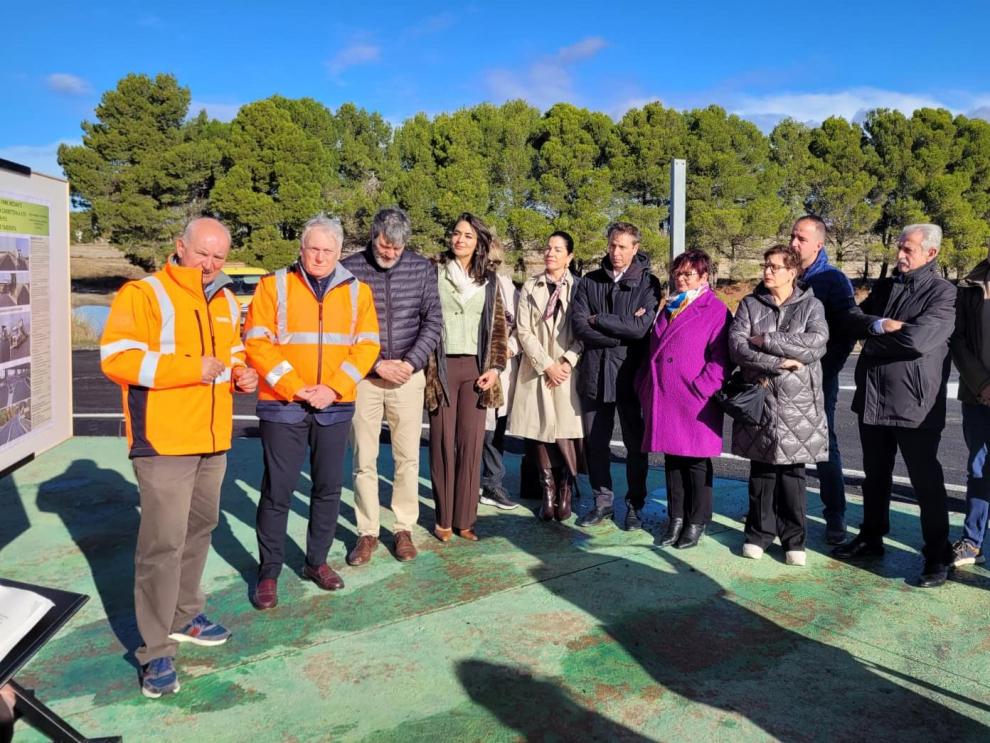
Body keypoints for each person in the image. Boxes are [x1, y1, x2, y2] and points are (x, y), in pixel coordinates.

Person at [101, 217, 259, 698]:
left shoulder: (226, 299)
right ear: (179, 247)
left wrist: (240, 373)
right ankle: (155, 652)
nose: (210, 264)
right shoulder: (144, 294)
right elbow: (117, 358)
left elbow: (232, 350)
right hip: (165, 442)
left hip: (212, 439)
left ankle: (185, 616)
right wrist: (191, 370)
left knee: (199, 529)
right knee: (161, 547)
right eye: (203, 253)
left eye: (219, 256)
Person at [244, 215, 379, 609]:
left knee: (327, 488)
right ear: (301, 249)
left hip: (334, 407)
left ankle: (316, 562)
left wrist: (333, 388)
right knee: (277, 491)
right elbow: (257, 341)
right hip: (283, 405)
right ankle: (268, 571)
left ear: (339, 252)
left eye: (327, 250)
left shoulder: (358, 292)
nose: (319, 257)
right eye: (312, 249)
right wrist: (294, 386)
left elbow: (366, 346)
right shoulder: (274, 286)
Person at [833, 224, 956, 587]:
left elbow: (918, 341)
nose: (900, 255)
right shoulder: (886, 287)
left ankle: (937, 555)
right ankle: (871, 537)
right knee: (875, 477)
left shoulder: (944, 294)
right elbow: (849, 320)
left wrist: (871, 339)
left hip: (915, 405)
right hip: (872, 399)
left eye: (909, 250)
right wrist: (881, 325)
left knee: (926, 482)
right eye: (900, 248)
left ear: (931, 254)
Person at [341, 207, 442, 566]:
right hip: (364, 379)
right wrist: (375, 363)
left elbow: (433, 321)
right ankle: (367, 532)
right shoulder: (349, 269)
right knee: (364, 460)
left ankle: (402, 528)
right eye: (385, 246)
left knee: (407, 459)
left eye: (397, 250)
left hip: (407, 378)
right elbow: (340, 328)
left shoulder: (421, 268)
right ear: (373, 236)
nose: (390, 254)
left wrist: (410, 363)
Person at [729, 245, 828, 566]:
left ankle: (794, 540)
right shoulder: (749, 304)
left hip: (799, 402)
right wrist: (778, 363)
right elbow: (738, 346)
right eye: (765, 265)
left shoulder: (812, 305)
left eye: (774, 267)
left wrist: (767, 341)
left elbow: (815, 344)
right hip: (761, 396)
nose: (767, 271)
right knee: (762, 469)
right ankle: (758, 533)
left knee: (792, 474)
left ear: (792, 271)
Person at [571, 221, 661, 529]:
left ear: (635, 248)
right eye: (612, 245)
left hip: (630, 377)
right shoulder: (589, 282)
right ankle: (602, 502)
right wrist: (620, 329)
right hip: (595, 374)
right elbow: (579, 327)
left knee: (636, 446)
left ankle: (635, 504)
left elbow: (641, 329)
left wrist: (601, 320)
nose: (616, 251)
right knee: (596, 444)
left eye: (623, 246)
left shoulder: (648, 284)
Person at [639, 250, 731, 548]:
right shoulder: (668, 307)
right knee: (672, 461)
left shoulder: (715, 309)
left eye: (688, 274)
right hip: (665, 395)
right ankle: (676, 517)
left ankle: (696, 520)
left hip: (695, 398)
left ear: (704, 277)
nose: (680, 278)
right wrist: (644, 384)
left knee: (696, 462)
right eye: (677, 273)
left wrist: (703, 386)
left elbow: (722, 358)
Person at [425, 212, 508, 541]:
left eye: (468, 236)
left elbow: (499, 327)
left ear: (479, 243)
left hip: (476, 371)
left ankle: (465, 519)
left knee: (471, 446)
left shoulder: (489, 279)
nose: (460, 239)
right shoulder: (433, 272)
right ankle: (443, 519)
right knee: (442, 445)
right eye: (456, 233)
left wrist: (495, 368)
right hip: (442, 369)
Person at [508, 231, 584, 521]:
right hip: (537, 370)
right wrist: (546, 365)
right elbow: (523, 331)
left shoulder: (579, 288)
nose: (550, 253)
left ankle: (565, 489)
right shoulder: (531, 286)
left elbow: (585, 332)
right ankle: (547, 491)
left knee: (564, 432)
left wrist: (567, 361)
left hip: (567, 373)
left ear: (569, 256)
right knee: (539, 433)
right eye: (547, 248)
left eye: (557, 249)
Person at [790, 215, 856, 544]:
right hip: (781, 377)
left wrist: (822, 370)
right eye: (791, 237)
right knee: (780, 445)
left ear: (819, 244)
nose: (793, 243)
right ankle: (780, 508)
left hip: (818, 377)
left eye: (801, 238)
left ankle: (835, 515)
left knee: (823, 445)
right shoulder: (783, 274)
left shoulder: (833, 280)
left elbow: (845, 333)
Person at [950, 246, 990, 567]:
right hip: (978, 396)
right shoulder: (970, 285)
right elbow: (958, 340)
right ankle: (972, 541)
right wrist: (983, 384)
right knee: (978, 468)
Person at [479, 239, 521, 511]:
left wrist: (509, 348)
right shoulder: (471, 285)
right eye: (487, 261)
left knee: (496, 431)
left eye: (495, 262)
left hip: (502, 368)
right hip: (475, 365)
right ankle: (470, 484)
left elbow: (520, 325)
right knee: (476, 431)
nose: (491, 266)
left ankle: (492, 483)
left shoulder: (507, 287)